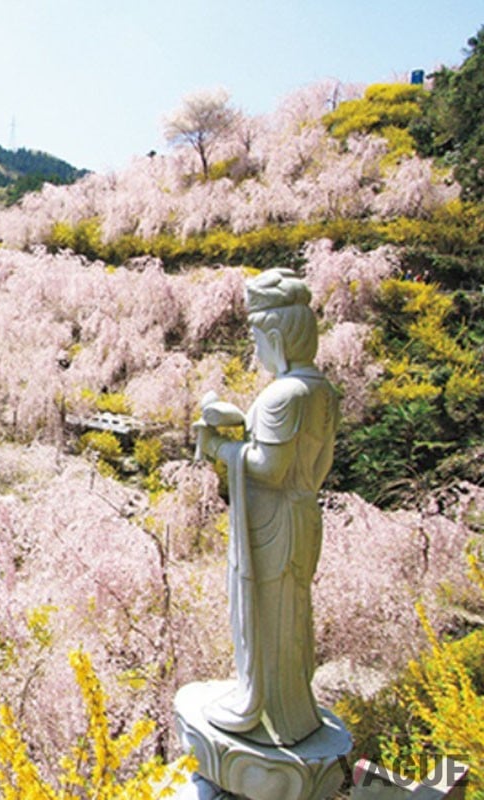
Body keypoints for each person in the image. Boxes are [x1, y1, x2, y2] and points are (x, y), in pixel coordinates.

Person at [194, 268, 339, 747]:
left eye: (257, 336)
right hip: (303, 514)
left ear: (276, 335)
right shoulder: (322, 391)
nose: (255, 347)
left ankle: (263, 706)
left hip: (273, 523)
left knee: (264, 614)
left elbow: (266, 468)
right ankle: (292, 706)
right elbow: (314, 465)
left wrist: (218, 447)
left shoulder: (284, 394)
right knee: (291, 615)